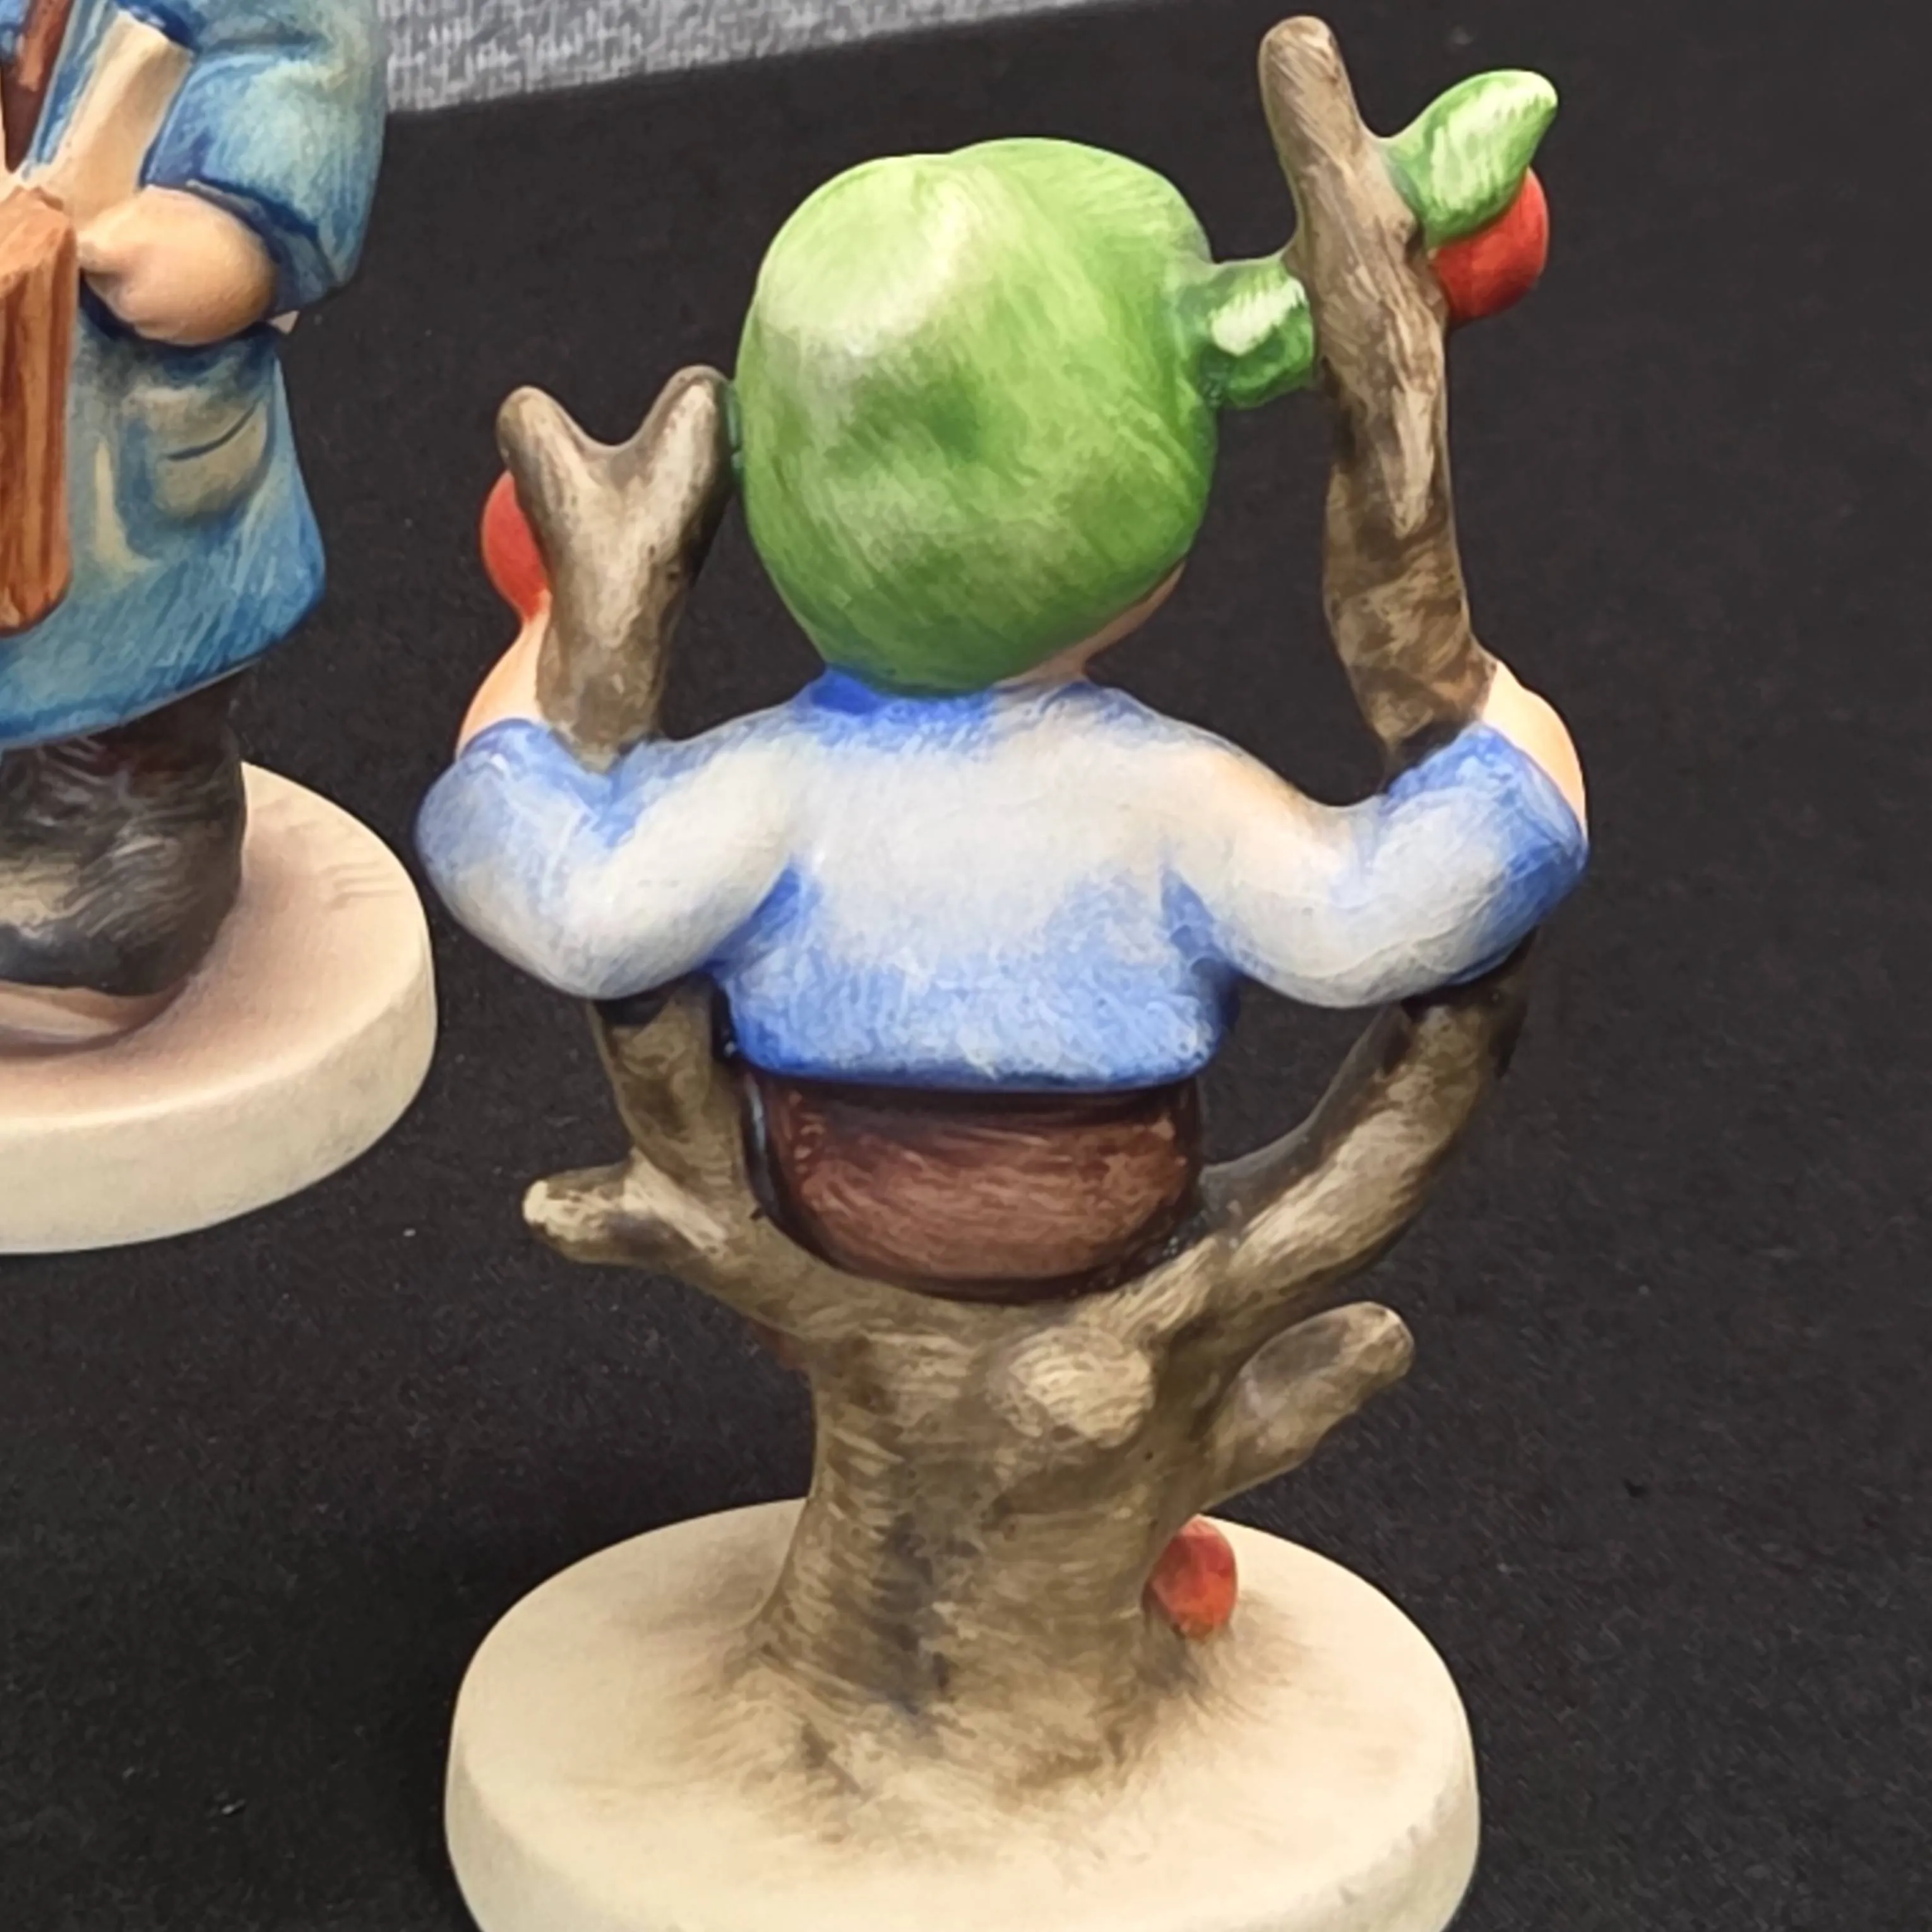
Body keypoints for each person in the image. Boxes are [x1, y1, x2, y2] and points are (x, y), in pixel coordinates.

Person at [422, 138, 1586, 1101]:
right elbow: (1369, 916)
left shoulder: (766, 793)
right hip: (1093, 1223)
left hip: (834, 1217)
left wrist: (544, 646)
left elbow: (569, 900)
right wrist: (1499, 750)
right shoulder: (1168, 801)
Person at [0, 0, 385, 1044]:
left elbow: (301, 68)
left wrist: (226, 238)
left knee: (128, 691)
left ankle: (131, 819)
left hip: (127, 408)